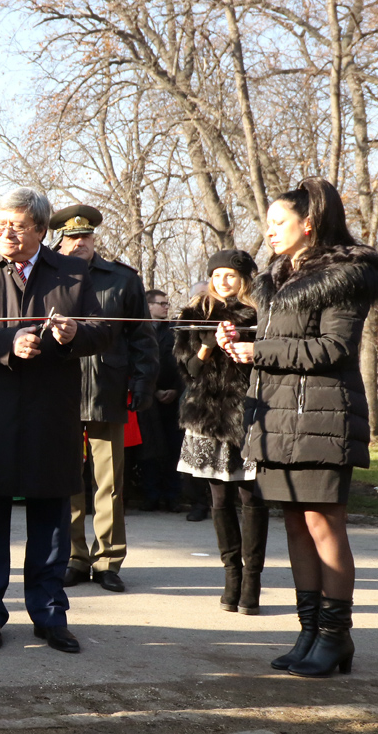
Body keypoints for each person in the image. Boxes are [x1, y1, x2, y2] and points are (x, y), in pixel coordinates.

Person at [0, 187, 113, 655]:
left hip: (50, 410)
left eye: (17, 225)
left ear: (41, 229)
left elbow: (104, 330)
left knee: (52, 518)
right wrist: (6, 344)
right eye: (1, 223)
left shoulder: (73, 272)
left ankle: (50, 613)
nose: (6, 232)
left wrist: (75, 331)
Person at [220, 176, 378, 678]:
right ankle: (309, 631)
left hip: (324, 417)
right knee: (294, 523)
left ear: (308, 225)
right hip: (277, 418)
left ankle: (336, 637)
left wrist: (259, 349)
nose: (267, 231)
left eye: (277, 222)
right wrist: (242, 336)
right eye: (266, 223)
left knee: (322, 524)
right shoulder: (276, 278)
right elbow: (285, 339)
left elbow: (333, 349)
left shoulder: (345, 275)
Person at [54, 205, 157, 594]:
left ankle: (108, 561)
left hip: (107, 389)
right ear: (60, 240)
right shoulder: (47, 276)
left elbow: (142, 336)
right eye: (72, 237)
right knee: (67, 482)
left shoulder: (122, 279)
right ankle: (74, 558)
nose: (80, 243)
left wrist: (144, 380)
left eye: (86, 237)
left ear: (95, 238)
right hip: (58, 391)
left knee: (109, 483)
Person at [174, 251, 266, 614]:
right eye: (217, 274)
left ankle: (252, 581)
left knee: (252, 500)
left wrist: (249, 348)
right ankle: (231, 576)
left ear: (244, 279)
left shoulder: (262, 314)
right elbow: (190, 372)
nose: (223, 281)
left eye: (231, 275)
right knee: (219, 501)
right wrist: (209, 344)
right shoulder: (194, 315)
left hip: (251, 418)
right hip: (207, 419)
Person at [136, 289, 183, 512]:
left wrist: (174, 389)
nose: (166, 307)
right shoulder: (137, 329)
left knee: (174, 449)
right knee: (149, 451)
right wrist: (152, 391)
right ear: (148, 305)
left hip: (173, 400)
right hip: (146, 399)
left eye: (167, 303)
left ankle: (173, 497)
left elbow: (181, 362)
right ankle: (150, 496)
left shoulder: (174, 331)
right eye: (161, 303)